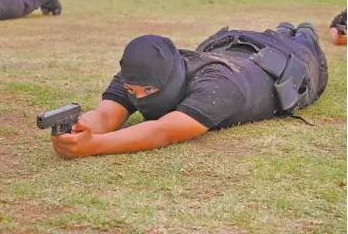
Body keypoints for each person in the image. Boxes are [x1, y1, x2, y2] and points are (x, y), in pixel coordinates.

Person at [51, 22, 328, 158]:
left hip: (289, 60)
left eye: (147, 90)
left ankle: (301, 30)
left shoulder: (220, 85)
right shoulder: (137, 74)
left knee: (302, 37)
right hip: (229, 46)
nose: (139, 97)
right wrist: (84, 127)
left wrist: (93, 146)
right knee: (282, 30)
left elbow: (163, 130)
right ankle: (285, 28)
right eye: (133, 90)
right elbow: (107, 113)